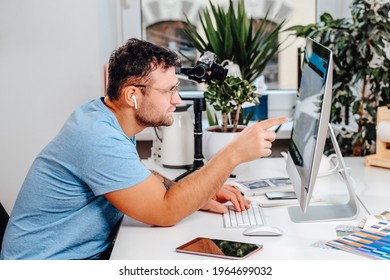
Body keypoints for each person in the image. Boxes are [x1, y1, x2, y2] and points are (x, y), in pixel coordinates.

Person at [0, 38, 287, 260]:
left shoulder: (107, 117)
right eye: (169, 91)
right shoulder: (97, 137)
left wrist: (198, 192)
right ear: (132, 95)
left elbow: (138, 177)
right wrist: (232, 153)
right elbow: (165, 211)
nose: (176, 100)